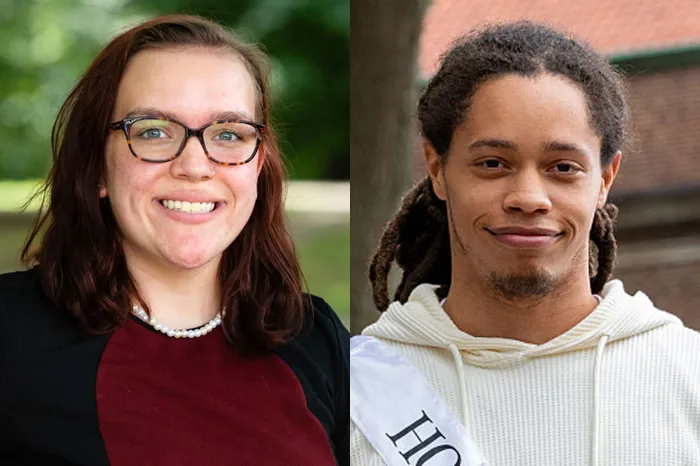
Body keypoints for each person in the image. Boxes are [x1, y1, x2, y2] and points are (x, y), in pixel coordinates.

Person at [0, 15, 348, 466]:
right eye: (154, 131)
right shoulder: (10, 334)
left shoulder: (314, 335)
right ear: (96, 166)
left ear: (257, 166)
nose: (195, 165)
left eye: (228, 134)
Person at [350, 21, 700, 466]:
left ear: (605, 179)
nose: (529, 198)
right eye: (493, 163)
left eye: (563, 168)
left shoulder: (689, 376)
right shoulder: (350, 393)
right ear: (437, 169)